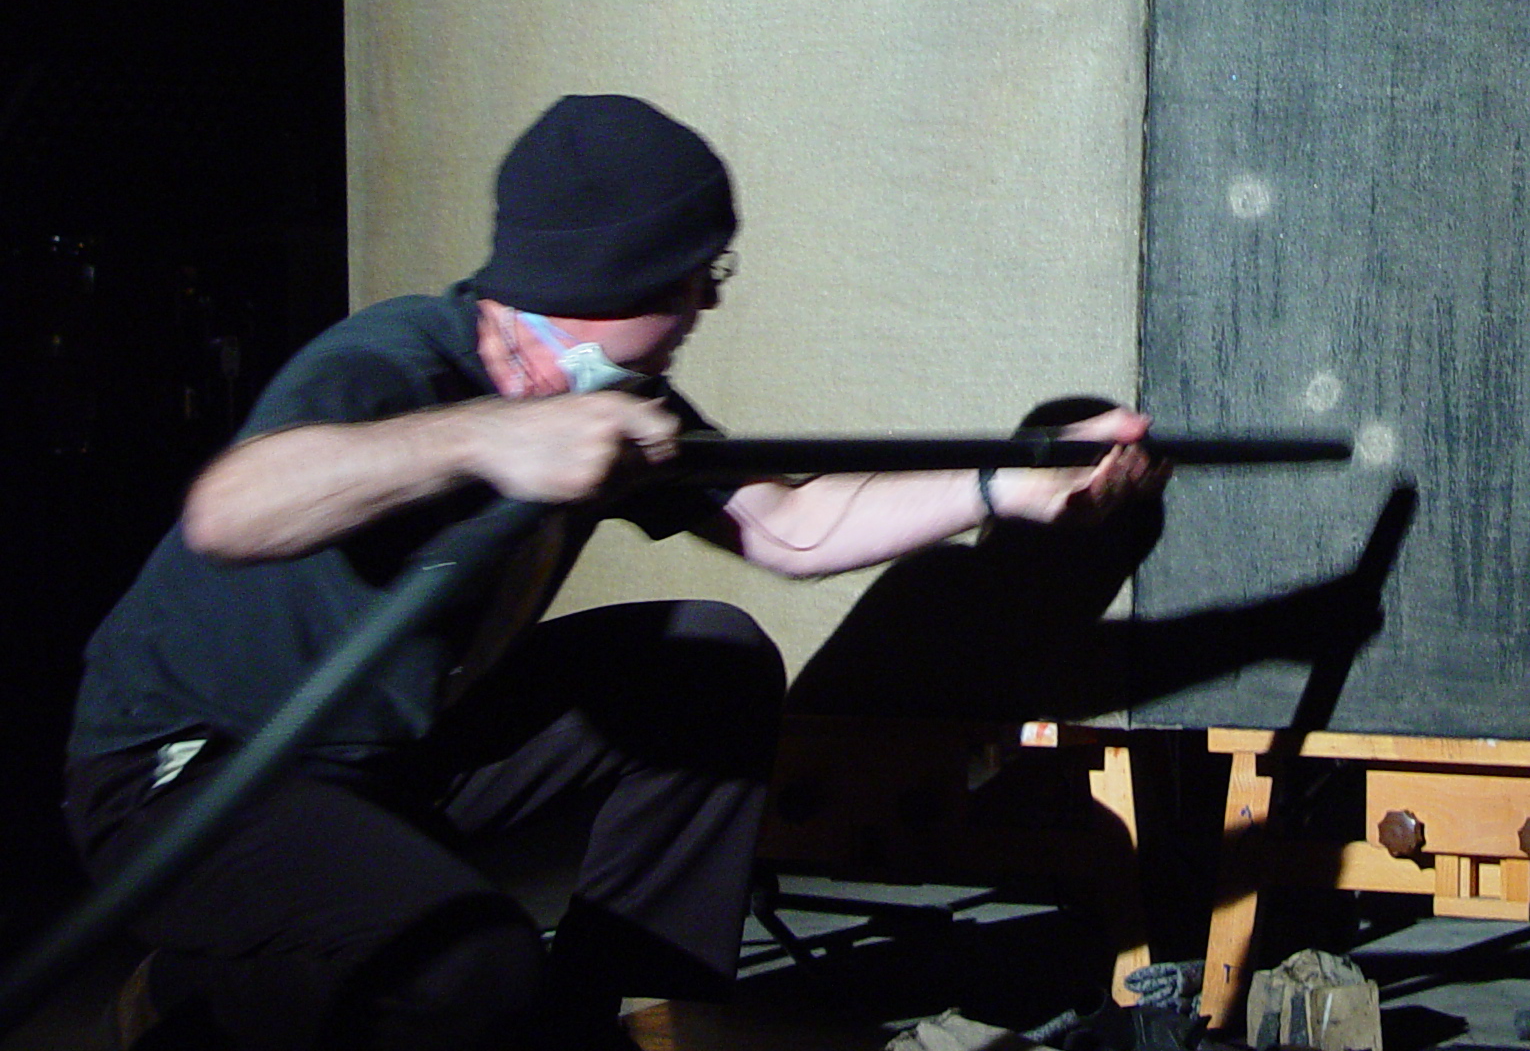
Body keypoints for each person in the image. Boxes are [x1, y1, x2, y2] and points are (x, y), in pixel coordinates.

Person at [63, 93, 1156, 1050]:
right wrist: (484, 440)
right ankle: (202, 1005)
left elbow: (789, 526)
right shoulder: (395, 360)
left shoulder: (617, 404)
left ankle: (619, 1013)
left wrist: (1004, 486)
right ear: (612, 273)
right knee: (471, 969)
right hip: (199, 774)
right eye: (694, 274)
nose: (707, 303)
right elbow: (232, 509)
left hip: (399, 751)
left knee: (708, 662)